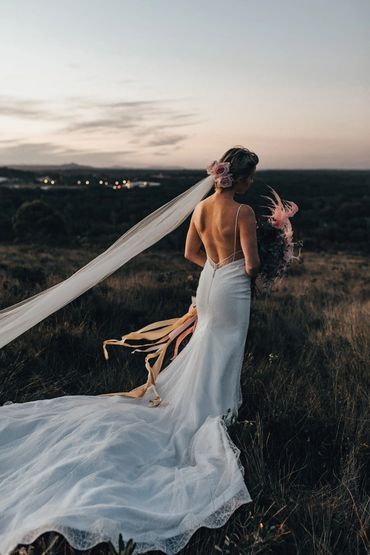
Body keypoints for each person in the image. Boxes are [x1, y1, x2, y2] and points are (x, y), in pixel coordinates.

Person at [0, 146, 260, 555]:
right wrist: (264, 264)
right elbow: (252, 266)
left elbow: (191, 253)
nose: (252, 183)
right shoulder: (243, 213)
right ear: (240, 178)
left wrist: (214, 267)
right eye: (251, 176)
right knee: (224, 349)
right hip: (231, 286)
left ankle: (207, 408)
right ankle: (221, 413)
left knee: (207, 345)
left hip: (209, 283)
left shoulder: (201, 209)